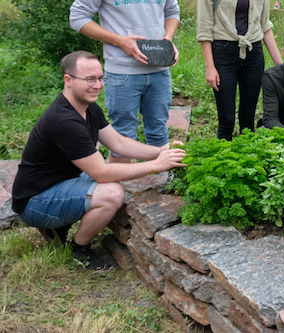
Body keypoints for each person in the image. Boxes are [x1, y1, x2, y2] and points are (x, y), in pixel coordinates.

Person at [11, 51, 186, 269]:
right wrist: (156, 166)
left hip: (59, 183)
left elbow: (118, 144)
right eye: (90, 79)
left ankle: (57, 226)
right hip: (34, 202)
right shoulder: (63, 121)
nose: (98, 85)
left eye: (101, 78)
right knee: (112, 194)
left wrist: (159, 150)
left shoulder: (87, 107)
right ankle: (78, 249)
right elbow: (101, 173)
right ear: (68, 80)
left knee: (110, 180)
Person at [69, 0, 179, 163]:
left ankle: (158, 193)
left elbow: (172, 11)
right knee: (121, 137)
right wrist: (121, 42)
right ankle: (120, 197)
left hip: (159, 71)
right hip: (122, 74)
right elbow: (78, 18)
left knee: (159, 131)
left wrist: (168, 39)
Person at [196, 0, 283, 141]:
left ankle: (247, 164)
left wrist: (281, 66)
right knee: (226, 118)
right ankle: (224, 165)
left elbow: (265, 26)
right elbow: (204, 28)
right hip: (223, 54)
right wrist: (210, 67)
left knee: (248, 117)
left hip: (253, 55)